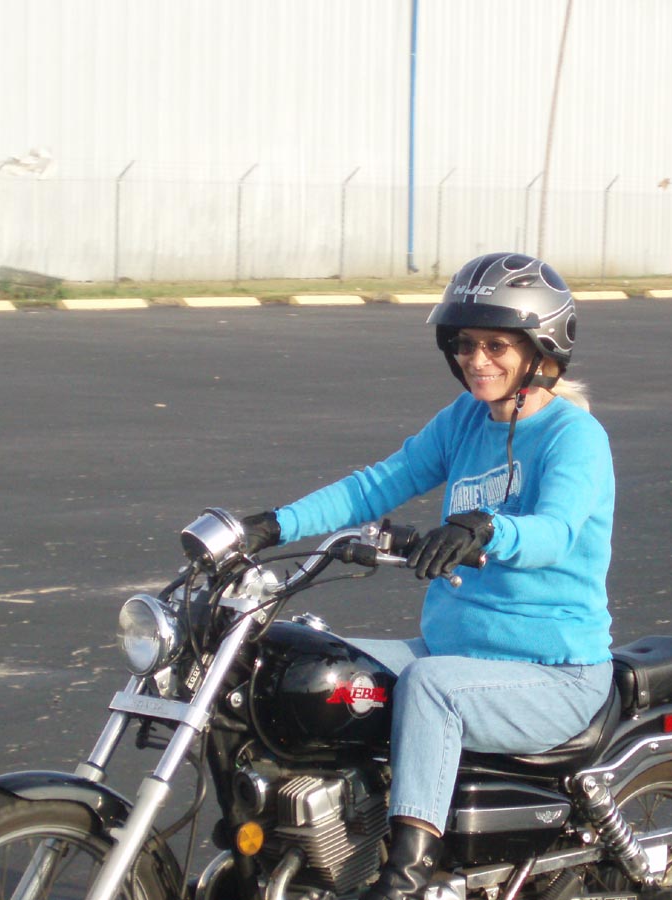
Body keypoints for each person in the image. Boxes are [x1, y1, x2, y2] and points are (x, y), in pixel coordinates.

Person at [240, 252, 616, 900]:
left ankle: (407, 878)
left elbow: (556, 532)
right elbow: (377, 485)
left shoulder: (573, 436)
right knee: (307, 670)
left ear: (542, 349)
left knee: (430, 688)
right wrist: (273, 525)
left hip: (557, 673)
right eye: (466, 344)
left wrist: (488, 529)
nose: (477, 360)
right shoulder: (466, 419)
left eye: (496, 345)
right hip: (456, 652)